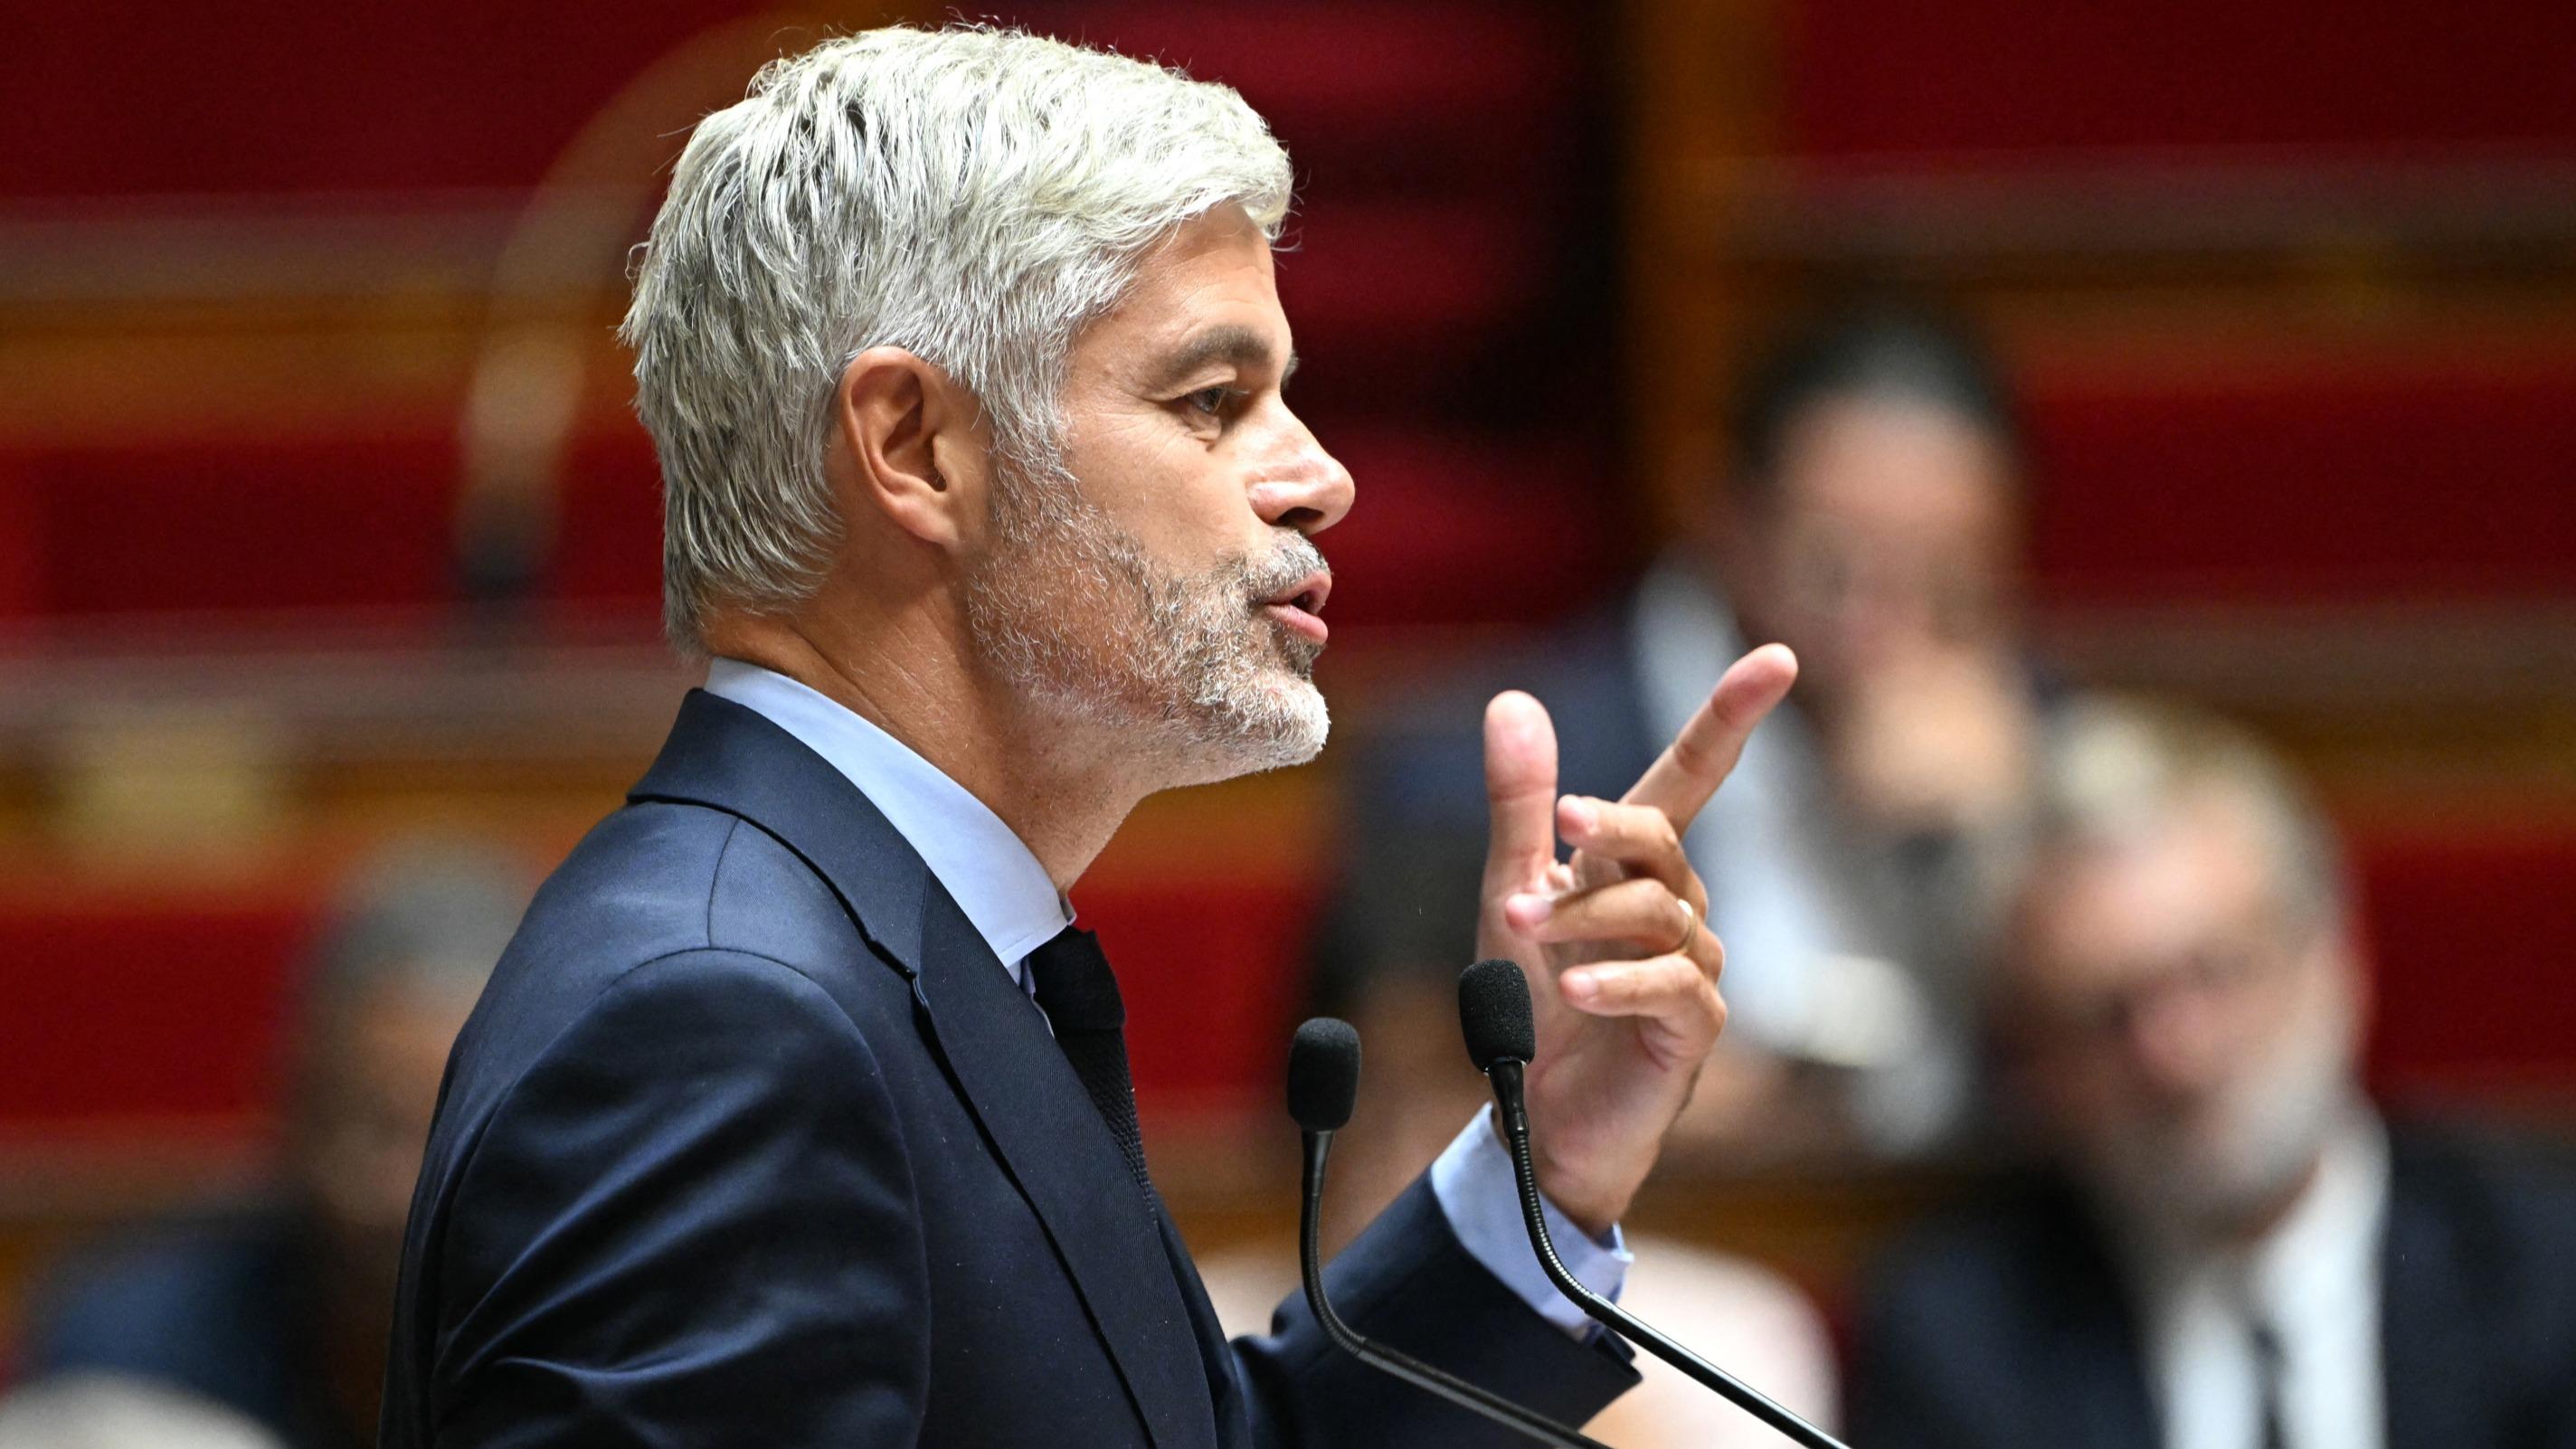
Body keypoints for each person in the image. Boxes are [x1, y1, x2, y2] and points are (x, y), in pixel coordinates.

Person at [382, 25, 1801, 1449]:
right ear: (914, 446)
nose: (1321, 477)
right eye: (1212, 400)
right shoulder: (724, 1021)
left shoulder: (872, 952)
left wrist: (1538, 1176)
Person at [1315, 303, 2042, 1160]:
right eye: (1836, 571)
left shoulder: (2039, 741)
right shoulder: (1462, 777)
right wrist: (1638, 1094)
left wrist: (2014, 847)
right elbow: (1390, 1130)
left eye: (1952, 586)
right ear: (1724, 514)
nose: (1892, 629)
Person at [1846, 698, 2576, 1449]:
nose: (2179, 1058)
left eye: (2217, 973)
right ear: (2032, 1063)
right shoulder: (1963, 1337)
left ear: (2334, 958)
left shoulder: (2549, 1267)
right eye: (2109, 1014)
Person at [25, 848, 528, 1449]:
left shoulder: (618, 1353)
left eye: (461, 1145)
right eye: (372, 1130)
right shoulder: (131, 1362)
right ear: (292, 1115)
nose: (409, 1199)